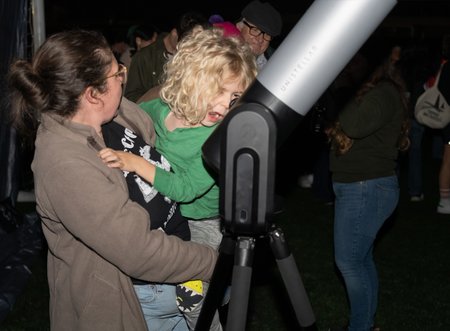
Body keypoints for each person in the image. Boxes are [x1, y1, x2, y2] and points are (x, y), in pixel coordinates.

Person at [7, 29, 218, 331]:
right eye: (117, 72)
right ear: (92, 94)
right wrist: (216, 262)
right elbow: (139, 251)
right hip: (136, 301)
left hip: (177, 271)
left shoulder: (114, 114)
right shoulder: (66, 165)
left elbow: (158, 138)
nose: (124, 75)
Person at [99, 27, 257, 330]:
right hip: (169, 216)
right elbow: (131, 120)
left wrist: (134, 164)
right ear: (191, 80)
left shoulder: (216, 137)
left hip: (203, 222)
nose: (225, 106)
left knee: (194, 299)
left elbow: (185, 189)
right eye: (219, 90)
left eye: (235, 96)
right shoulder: (159, 110)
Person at [326, 57, 410, 331]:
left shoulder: (383, 92)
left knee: (349, 262)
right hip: (363, 187)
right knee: (361, 260)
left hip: (367, 188)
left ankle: (360, 327)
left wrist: (345, 90)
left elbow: (355, 125)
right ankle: (366, 324)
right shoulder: (380, 92)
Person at [124, 11, 209, 103]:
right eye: (188, 41)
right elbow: (131, 98)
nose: (193, 47)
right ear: (174, 34)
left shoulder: (196, 55)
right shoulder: (144, 56)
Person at [235, 0, 283, 70]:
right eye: (255, 30)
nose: (260, 40)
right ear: (239, 27)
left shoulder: (278, 63)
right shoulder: (218, 56)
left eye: (267, 34)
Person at [434, 34, 450, 214]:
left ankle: (445, 201)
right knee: (448, 159)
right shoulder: (447, 67)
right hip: (449, 120)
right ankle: (444, 202)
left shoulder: (445, 66)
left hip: (447, 120)